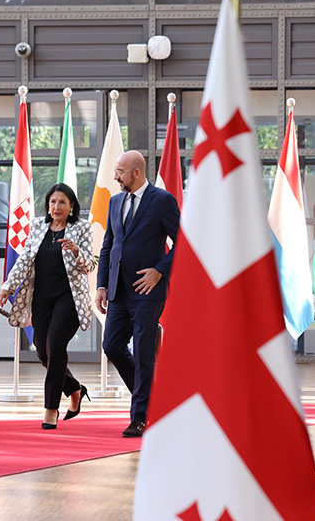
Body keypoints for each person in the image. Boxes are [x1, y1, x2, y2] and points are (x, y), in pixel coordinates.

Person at [0, 183, 96, 430]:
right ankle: (74, 389)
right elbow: (24, 260)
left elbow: (90, 265)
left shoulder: (81, 227)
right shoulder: (38, 227)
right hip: (41, 297)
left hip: (70, 298)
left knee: (56, 346)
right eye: (53, 202)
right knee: (43, 352)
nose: (56, 207)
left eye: (62, 202)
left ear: (72, 206)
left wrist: (76, 251)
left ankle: (51, 408)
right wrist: (7, 287)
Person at [96, 150, 180, 438]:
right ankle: (153, 400)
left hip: (148, 290)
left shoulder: (162, 200)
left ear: (136, 172)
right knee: (112, 346)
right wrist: (102, 285)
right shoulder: (115, 201)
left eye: (119, 171)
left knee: (144, 352)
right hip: (118, 290)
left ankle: (140, 417)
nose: (116, 177)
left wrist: (160, 271)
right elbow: (109, 245)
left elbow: (183, 241)